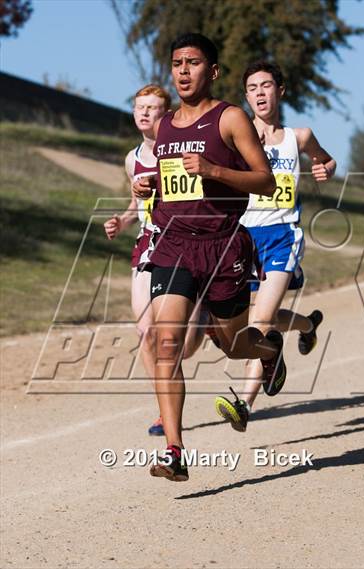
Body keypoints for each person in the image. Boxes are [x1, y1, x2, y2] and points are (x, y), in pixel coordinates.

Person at [132, 34, 287, 482]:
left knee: (233, 344)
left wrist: (216, 170)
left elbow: (265, 181)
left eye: (193, 63)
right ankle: (175, 451)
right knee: (166, 344)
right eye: (177, 63)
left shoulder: (230, 118)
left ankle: (270, 349)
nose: (183, 71)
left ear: (212, 71)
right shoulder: (164, 127)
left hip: (223, 246)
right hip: (176, 245)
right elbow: (175, 185)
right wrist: (146, 188)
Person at [214, 61, 336, 432]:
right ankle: (306, 326)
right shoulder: (236, 137)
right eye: (252, 88)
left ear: (280, 91)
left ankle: (244, 405)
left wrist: (325, 169)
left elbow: (325, 160)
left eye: (267, 85)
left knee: (261, 320)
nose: (260, 93)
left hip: (283, 235)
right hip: (245, 239)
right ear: (246, 96)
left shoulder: (297, 137)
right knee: (253, 321)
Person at [103, 84, 207, 437]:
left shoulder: (179, 151)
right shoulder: (132, 159)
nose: (144, 113)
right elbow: (136, 208)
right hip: (148, 245)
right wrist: (122, 220)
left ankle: (203, 313)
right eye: (138, 107)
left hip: (184, 245)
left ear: (166, 114)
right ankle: (164, 410)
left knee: (186, 345)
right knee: (147, 333)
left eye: (151, 108)